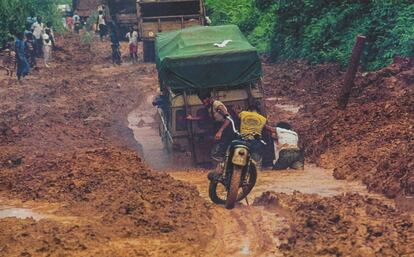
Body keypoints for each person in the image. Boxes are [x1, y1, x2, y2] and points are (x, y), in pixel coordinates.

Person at [186, 91, 234, 170]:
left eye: (203, 99)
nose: (203, 102)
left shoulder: (217, 105)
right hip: (220, 130)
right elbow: (205, 118)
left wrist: (220, 131)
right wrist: (192, 118)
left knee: (216, 153)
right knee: (219, 152)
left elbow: (228, 119)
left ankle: (225, 168)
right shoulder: (209, 107)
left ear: (208, 98)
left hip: (227, 130)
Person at [237, 102, 273, 168]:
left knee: (239, 159)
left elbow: (237, 118)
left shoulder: (243, 113)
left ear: (249, 110)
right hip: (256, 140)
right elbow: (267, 128)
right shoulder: (263, 119)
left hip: (243, 139)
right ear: (258, 111)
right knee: (256, 161)